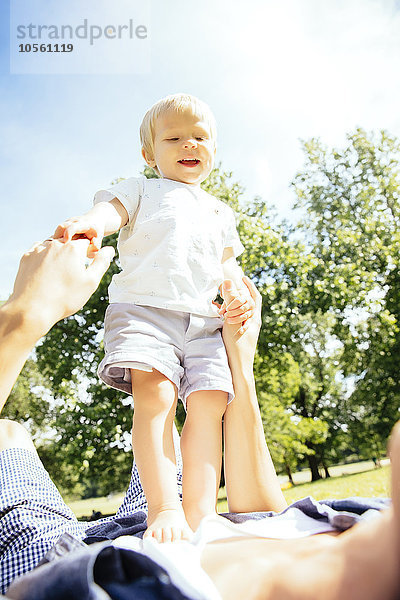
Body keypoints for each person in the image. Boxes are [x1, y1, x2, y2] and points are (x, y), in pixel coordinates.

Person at [1, 237, 400, 599]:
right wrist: (239, 359)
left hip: (64, 560)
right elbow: (260, 514)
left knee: (8, 434)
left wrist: (24, 316)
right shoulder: (370, 518)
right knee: (171, 435)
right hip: (178, 520)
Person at [52, 93, 255, 542]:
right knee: (156, 397)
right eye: (175, 138)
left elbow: (226, 265)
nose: (190, 146)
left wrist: (236, 290)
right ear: (150, 154)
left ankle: (200, 512)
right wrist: (91, 221)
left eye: (200, 138)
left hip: (204, 322)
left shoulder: (221, 212)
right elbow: (111, 211)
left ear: (214, 150)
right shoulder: (142, 188)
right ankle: (164, 509)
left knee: (211, 404)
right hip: (146, 312)